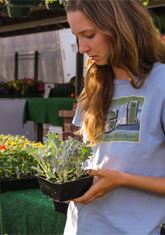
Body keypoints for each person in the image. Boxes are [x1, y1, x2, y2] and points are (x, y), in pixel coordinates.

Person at [64, 0, 165, 234]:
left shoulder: (160, 83)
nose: (82, 48)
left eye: (88, 35)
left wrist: (121, 179)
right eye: (76, 37)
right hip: (82, 226)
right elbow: (88, 155)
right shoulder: (94, 85)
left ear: (120, 27)